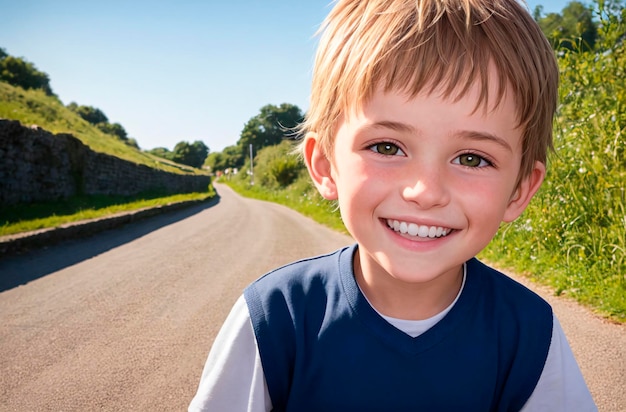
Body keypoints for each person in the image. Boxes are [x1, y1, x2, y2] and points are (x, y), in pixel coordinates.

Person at [189, 0, 597, 410]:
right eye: (387, 147)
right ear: (325, 164)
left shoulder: (528, 334)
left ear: (520, 190)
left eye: (472, 158)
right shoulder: (276, 318)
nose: (425, 191)